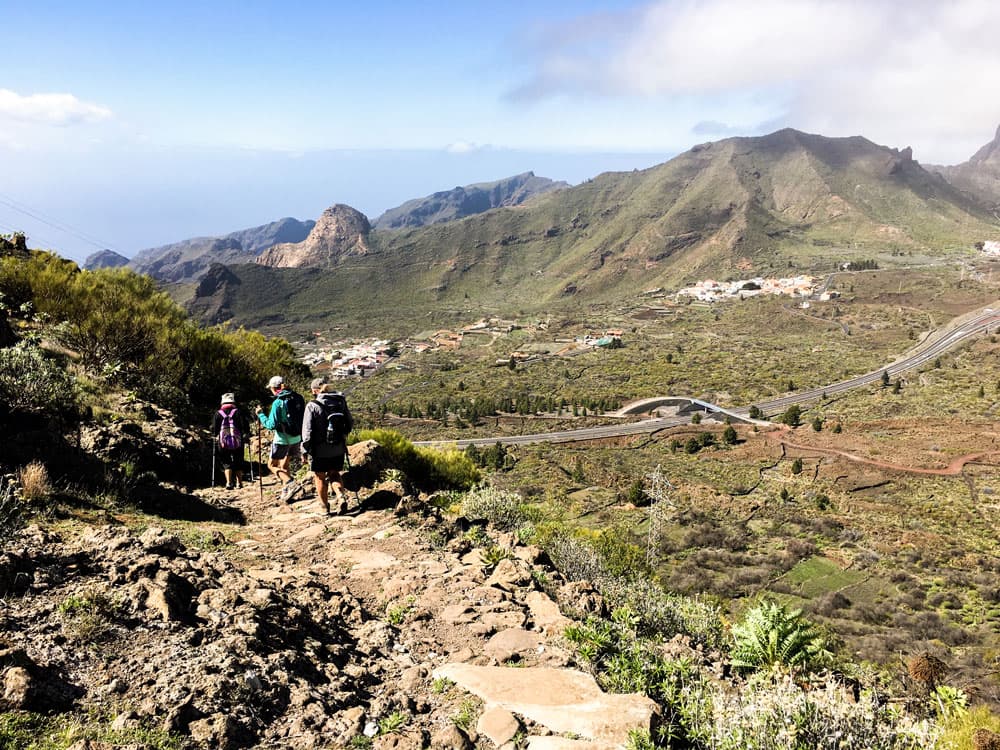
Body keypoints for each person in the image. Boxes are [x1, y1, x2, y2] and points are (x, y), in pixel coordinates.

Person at [301, 377, 353, 515]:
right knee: (335, 474)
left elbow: (307, 432)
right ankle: (340, 496)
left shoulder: (312, 406)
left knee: (320, 477)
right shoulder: (340, 401)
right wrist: (342, 437)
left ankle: (324, 508)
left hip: (319, 450)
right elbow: (349, 423)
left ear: (314, 391)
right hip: (338, 447)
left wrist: (304, 450)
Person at [255, 375, 304, 503]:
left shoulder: (278, 402)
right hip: (296, 438)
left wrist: (260, 414)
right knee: (284, 465)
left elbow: (271, 425)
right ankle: (286, 492)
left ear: (273, 388)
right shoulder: (298, 397)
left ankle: (291, 483)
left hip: (282, 439)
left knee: (271, 465)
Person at [213, 393, 250, 490]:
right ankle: (239, 483)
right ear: (233, 402)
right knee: (238, 460)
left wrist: (215, 435)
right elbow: (245, 426)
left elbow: (214, 429)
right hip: (238, 441)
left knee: (226, 461)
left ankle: (229, 482)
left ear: (222, 402)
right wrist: (246, 434)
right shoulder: (238, 412)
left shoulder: (218, 413)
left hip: (223, 442)